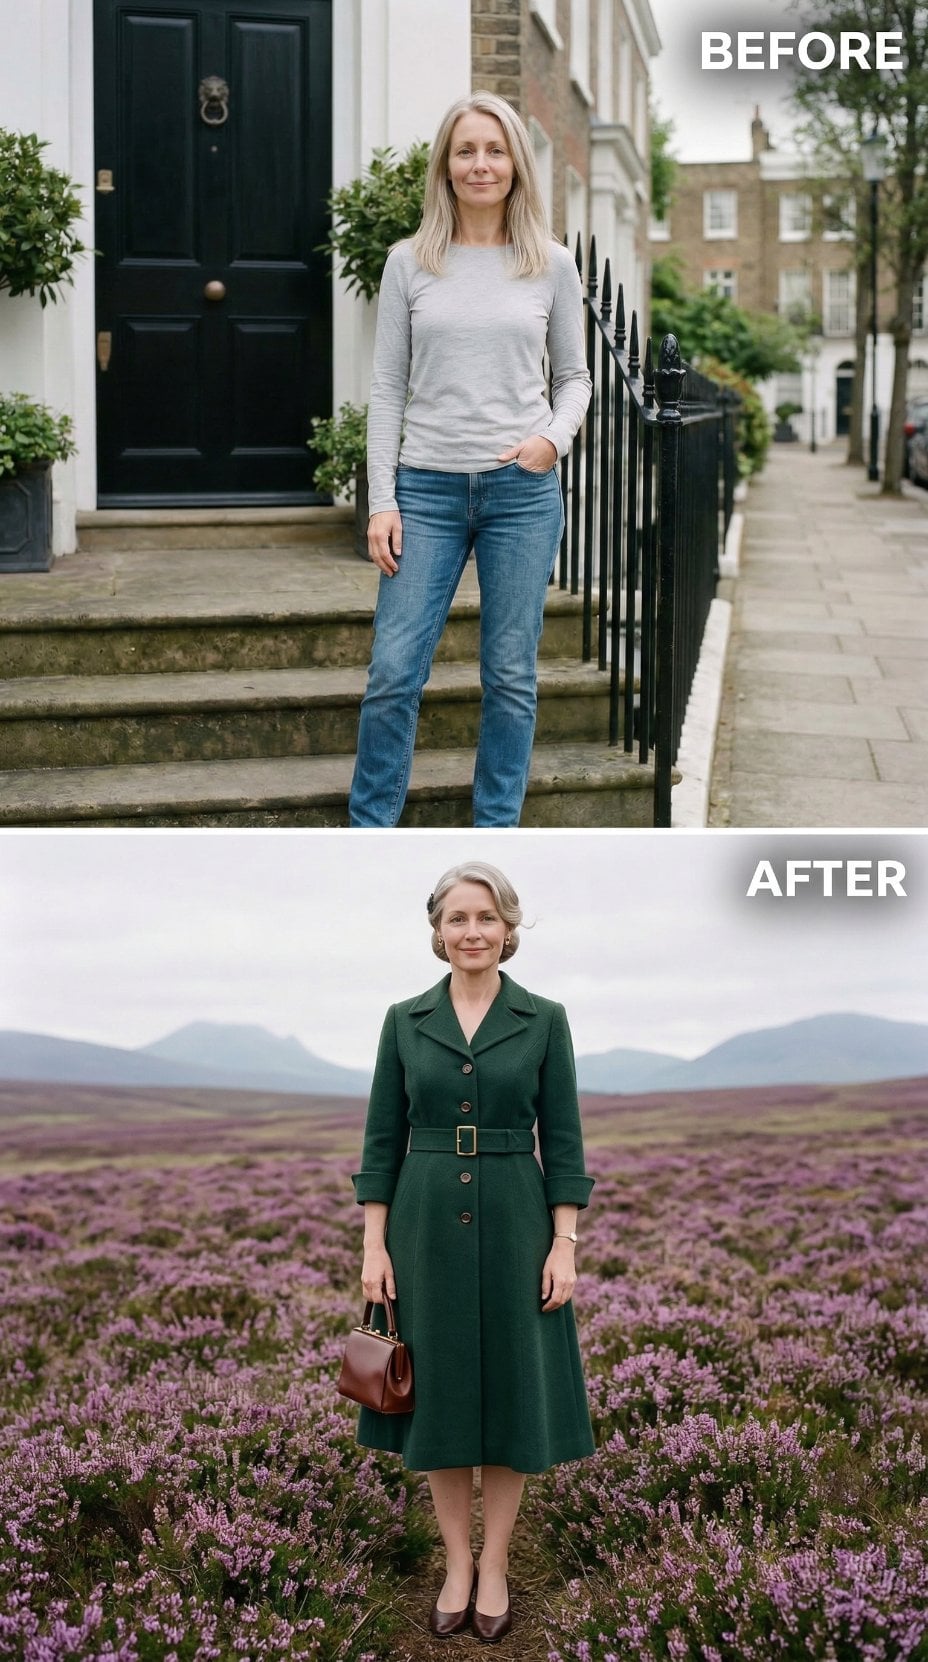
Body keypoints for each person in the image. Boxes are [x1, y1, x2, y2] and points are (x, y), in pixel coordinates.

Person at [351, 861, 595, 1642]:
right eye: (457, 919)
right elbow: (381, 1140)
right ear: (437, 932)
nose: (472, 932)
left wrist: (564, 1243)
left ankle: (496, 1567)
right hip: (421, 1227)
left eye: (485, 918)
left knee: (512, 1397)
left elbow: (562, 1141)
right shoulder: (402, 1019)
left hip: (519, 1220)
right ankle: (457, 1562)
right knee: (443, 1400)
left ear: (509, 929)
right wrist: (373, 1245)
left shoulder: (545, 1017)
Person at [348, 93, 592, 829]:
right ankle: (369, 830)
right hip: (425, 491)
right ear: (445, 166)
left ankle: (497, 828)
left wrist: (554, 440)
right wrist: (381, 501)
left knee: (511, 677)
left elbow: (575, 379)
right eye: (466, 150)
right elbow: (388, 387)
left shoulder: (550, 265)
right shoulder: (409, 262)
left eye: (494, 149)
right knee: (393, 672)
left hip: (521, 492)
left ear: (516, 163)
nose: (480, 164)